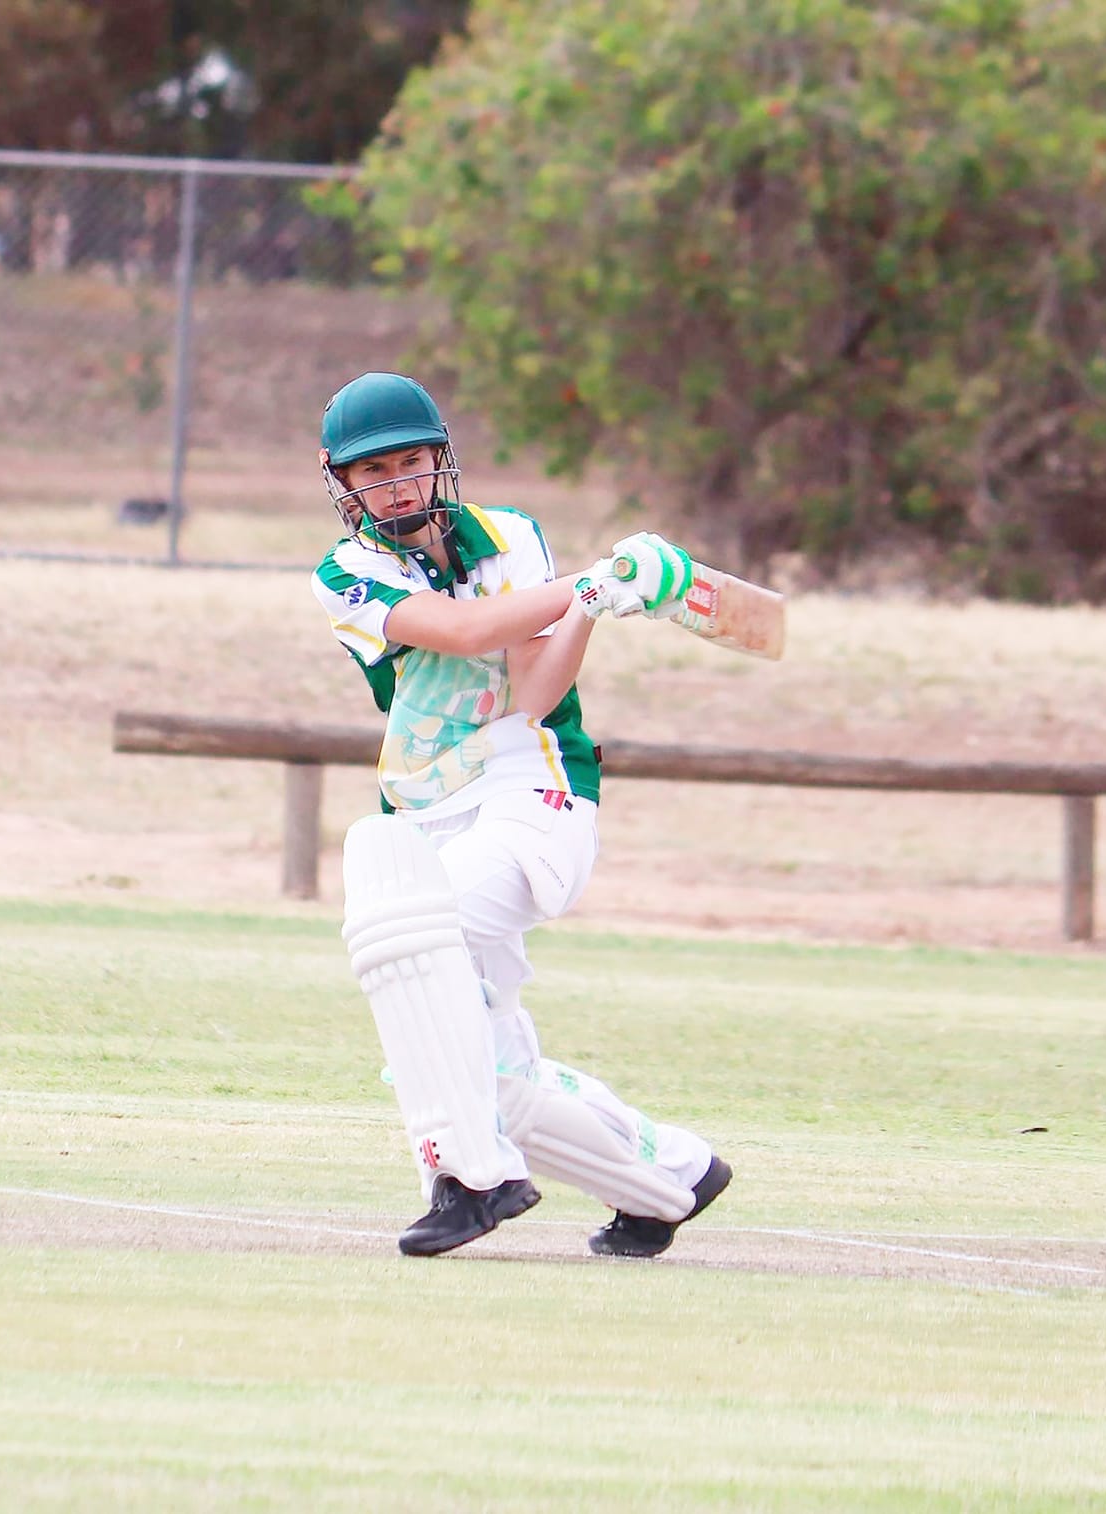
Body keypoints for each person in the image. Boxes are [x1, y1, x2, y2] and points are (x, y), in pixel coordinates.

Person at [310, 370, 730, 1258]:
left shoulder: (510, 536)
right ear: (341, 482)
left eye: (411, 462)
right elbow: (464, 634)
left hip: (533, 790)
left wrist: (589, 605)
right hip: (427, 811)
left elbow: (534, 692)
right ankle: (673, 1179)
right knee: (492, 1074)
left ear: (440, 462)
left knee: (428, 954)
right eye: (372, 470)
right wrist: (602, 580)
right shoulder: (345, 574)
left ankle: (470, 1180)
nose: (396, 484)